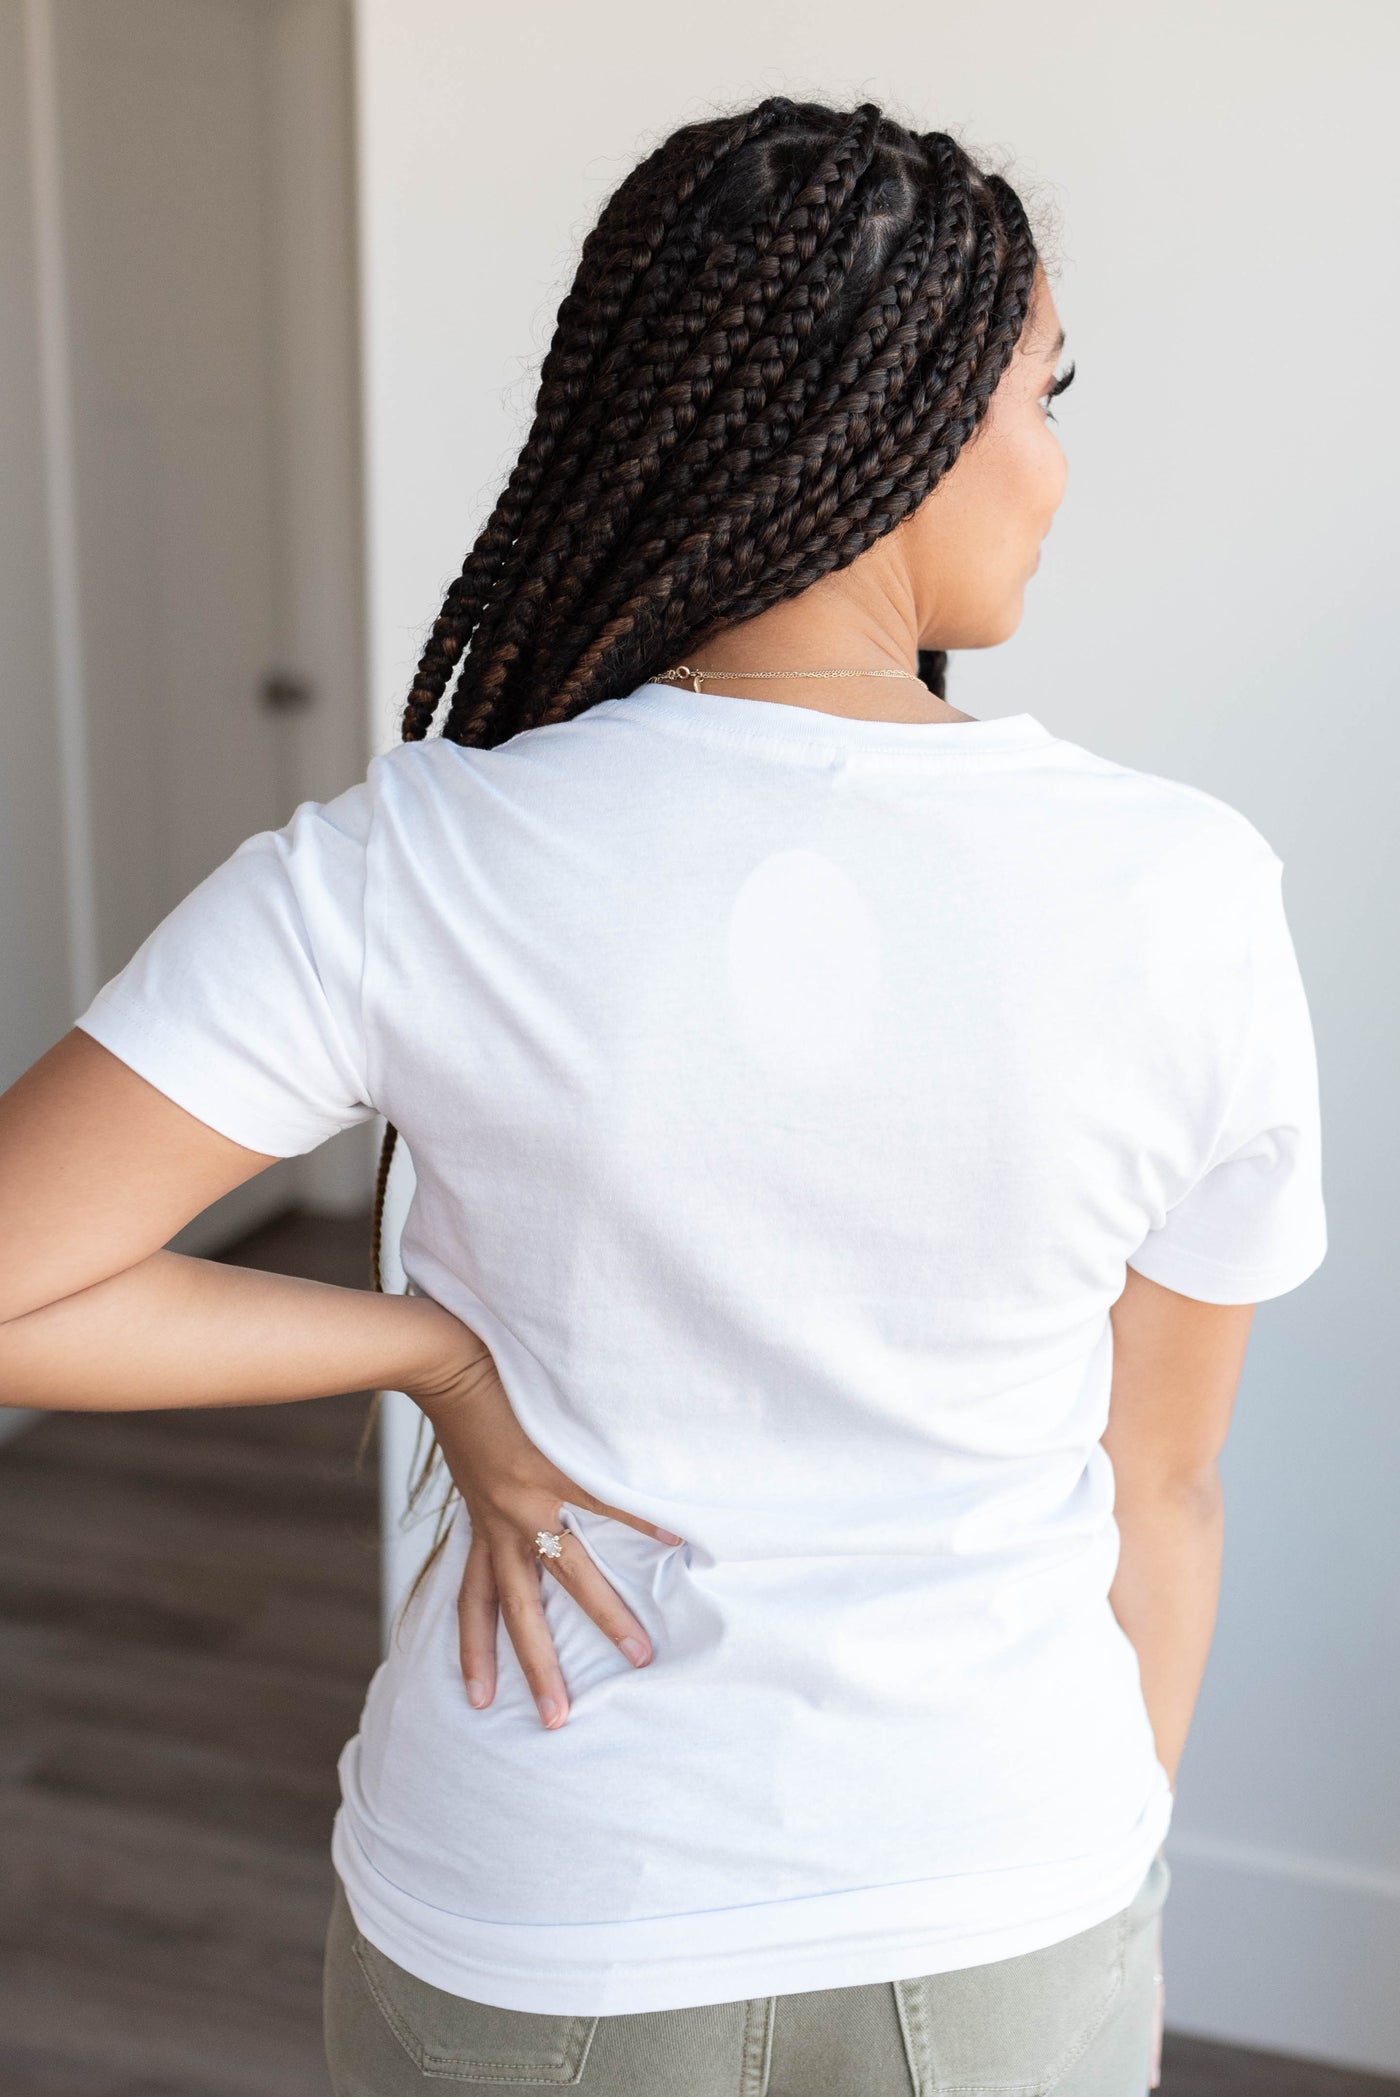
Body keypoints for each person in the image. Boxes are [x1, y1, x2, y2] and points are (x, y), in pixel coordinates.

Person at [0, 98, 1326, 2097]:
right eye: (1045, 400)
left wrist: (433, 1351)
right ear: (908, 427)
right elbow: (1165, 1486)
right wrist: (1098, 1893)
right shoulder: (1182, 892)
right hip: (999, 1899)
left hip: (540, 1911)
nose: (1056, 473)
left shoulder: (413, 864)